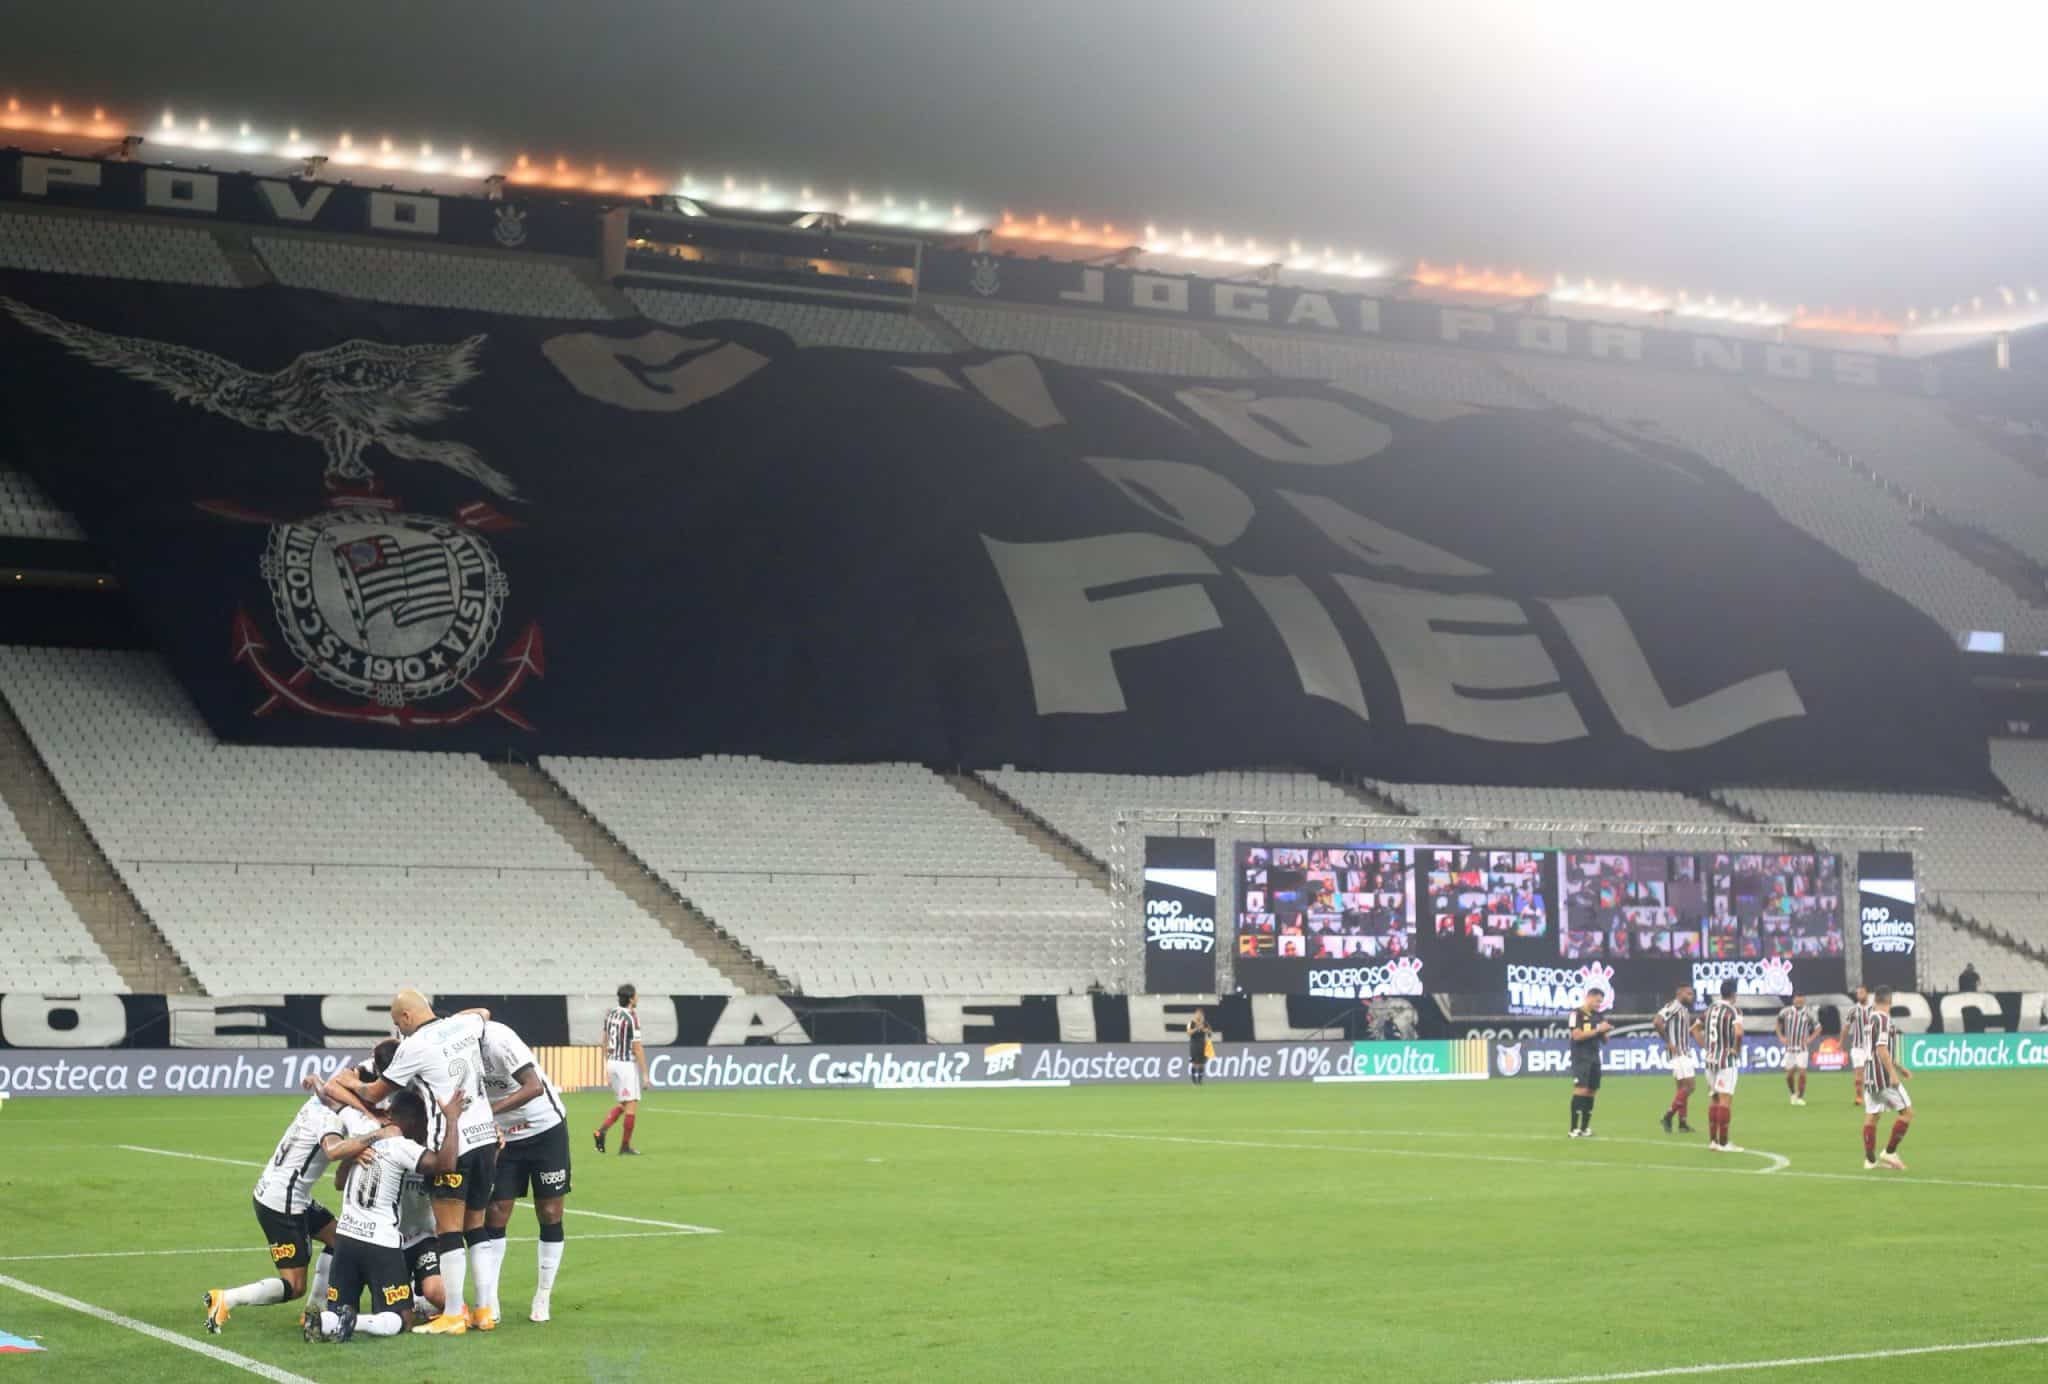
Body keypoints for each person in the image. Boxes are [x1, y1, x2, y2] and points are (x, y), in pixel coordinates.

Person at [324, 992, 498, 1335]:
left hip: (454, 1141)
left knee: (449, 1233)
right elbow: (484, 1012)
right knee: (477, 1230)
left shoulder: (413, 1046)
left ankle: (452, 1314)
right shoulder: (463, 1024)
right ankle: (485, 1311)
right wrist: (447, 1023)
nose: (397, 1029)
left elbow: (374, 1094)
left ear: (405, 1017)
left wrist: (353, 1082)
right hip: (486, 1137)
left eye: (396, 1022)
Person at [202, 1069, 384, 1334]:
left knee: (340, 1237)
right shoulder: (330, 1117)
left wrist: (317, 1080)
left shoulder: (320, 1101)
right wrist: (375, 1135)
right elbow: (333, 1149)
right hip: (283, 1203)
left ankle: (315, 1310)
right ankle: (226, 1299)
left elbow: (330, 1086)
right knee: (294, 1285)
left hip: (281, 1191)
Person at [308, 1087, 464, 1343]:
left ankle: (326, 1321)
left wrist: (354, 1152)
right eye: (424, 1120)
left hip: (345, 1239)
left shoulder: (364, 1139)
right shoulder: (402, 1146)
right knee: (402, 1319)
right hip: (380, 1243)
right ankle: (354, 1321)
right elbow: (446, 1165)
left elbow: (339, 1181)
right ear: (413, 1121)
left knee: (338, 1310)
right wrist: (453, 1119)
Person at [477, 1017, 572, 1325]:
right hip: (504, 1138)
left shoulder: (499, 1042)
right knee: (496, 1212)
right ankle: (490, 1297)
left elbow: (534, 1087)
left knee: (549, 1212)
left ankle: (543, 1294)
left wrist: (489, 1111)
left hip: (545, 1129)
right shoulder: (455, 1050)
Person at [1861, 986, 1914, 1170]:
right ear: (1890, 1001)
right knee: (1907, 1114)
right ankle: (1890, 1152)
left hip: (1869, 1076)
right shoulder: (1883, 1019)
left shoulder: (1871, 1020)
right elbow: (1882, 1049)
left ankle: (1870, 1160)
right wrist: (1893, 1074)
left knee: (1872, 1116)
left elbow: (1878, 1049)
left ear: (1875, 1000)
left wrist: (1900, 1068)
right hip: (1882, 1077)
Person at [595, 983, 648, 1155]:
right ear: (632, 999)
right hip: (626, 1065)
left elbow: (604, 1040)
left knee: (623, 1103)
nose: (638, 998)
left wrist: (606, 1065)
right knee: (631, 1105)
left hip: (612, 1063)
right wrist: (645, 1074)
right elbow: (637, 1048)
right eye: (636, 995)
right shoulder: (632, 1018)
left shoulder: (610, 1014)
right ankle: (624, 1146)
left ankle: (601, 1132)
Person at [1702, 978, 1745, 1153]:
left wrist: (1706, 1047)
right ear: (1734, 994)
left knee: (1714, 1100)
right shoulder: (1734, 1011)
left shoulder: (1710, 1009)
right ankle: (1724, 1143)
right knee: (1725, 1101)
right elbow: (1739, 1033)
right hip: (1726, 1061)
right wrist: (1736, 1049)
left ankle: (1713, 1142)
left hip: (1710, 1060)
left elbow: (1694, 1029)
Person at [1654, 984, 1700, 1134]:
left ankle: (1682, 1123)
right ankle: (1668, 1116)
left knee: (1682, 1089)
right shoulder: (1674, 1006)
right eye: (1688, 993)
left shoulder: (1684, 1009)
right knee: (1690, 1086)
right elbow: (1657, 1021)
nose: (1691, 997)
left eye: (1692, 994)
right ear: (1679, 993)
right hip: (1679, 1052)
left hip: (1684, 1051)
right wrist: (1668, 1042)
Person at [1567, 988, 1611, 1138]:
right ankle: (1573, 1129)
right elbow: (1577, 1036)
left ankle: (1585, 1128)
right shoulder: (1575, 1014)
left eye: (1601, 1002)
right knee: (1581, 1089)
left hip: (1594, 1057)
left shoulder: (1598, 1016)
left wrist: (1605, 1031)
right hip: (1581, 1057)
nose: (1599, 1005)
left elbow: (1605, 1041)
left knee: (1592, 1091)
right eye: (1597, 1001)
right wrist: (1598, 1029)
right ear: (1589, 998)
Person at [1775, 992, 1818, 1105]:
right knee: (1789, 1075)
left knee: (1802, 1072)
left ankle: (1800, 1097)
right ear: (1793, 1000)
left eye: (1801, 1000)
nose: (1799, 1002)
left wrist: (1810, 1039)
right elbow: (1778, 1024)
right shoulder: (1785, 1012)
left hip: (1802, 1049)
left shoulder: (1809, 1013)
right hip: (1790, 1048)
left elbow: (1818, 1028)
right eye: (1797, 1000)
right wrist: (1781, 1036)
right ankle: (1793, 1094)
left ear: (1803, 1000)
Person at [1843, 985, 1872, 1107]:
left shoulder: (1874, 1009)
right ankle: (1859, 1097)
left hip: (1872, 1047)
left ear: (1867, 994)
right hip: (1857, 1047)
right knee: (1858, 1077)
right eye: (1858, 993)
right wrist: (1840, 1042)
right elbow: (1846, 1027)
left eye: (1862, 993)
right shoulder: (1853, 1010)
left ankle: (1873, 1096)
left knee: (1872, 1075)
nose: (1859, 995)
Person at [1186, 1009, 1214, 1086]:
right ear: (1195, 1015)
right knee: (1195, 1063)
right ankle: (1194, 1080)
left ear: (1202, 1015)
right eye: (1197, 1014)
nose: (1198, 1016)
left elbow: (1210, 1033)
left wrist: (1205, 1030)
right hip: (1194, 1045)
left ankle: (1200, 1080)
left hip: (1203, 1045)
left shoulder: (1205, 1023)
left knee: (1202, 1064)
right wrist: (1197, 1028)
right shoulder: (1191, 1023)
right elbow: (1188, 1033)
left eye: (1200, 1014)